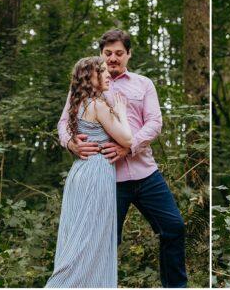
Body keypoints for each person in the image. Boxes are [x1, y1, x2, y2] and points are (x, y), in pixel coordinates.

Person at [56, 29, 188, 287]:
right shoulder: (87, 84)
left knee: (174, 227)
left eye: (119, 53)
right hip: (107, 179)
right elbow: (64, 122)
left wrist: (129, 147)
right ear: (101, 54)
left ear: (128, 54)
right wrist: (71, 143)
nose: (113, 58)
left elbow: (154, 122)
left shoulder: (143, 84)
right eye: (108, 54)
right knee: (103, 243)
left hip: (145, 172)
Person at [47, 56, 130, 287]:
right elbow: (127, 138)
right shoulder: (97, 104)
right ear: (89, 78)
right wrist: (121, 112)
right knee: (88, 243)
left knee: (77, 240)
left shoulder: (80, 102)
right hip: (96, 173)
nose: (107, 75)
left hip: (80, 172)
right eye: (101, 71)